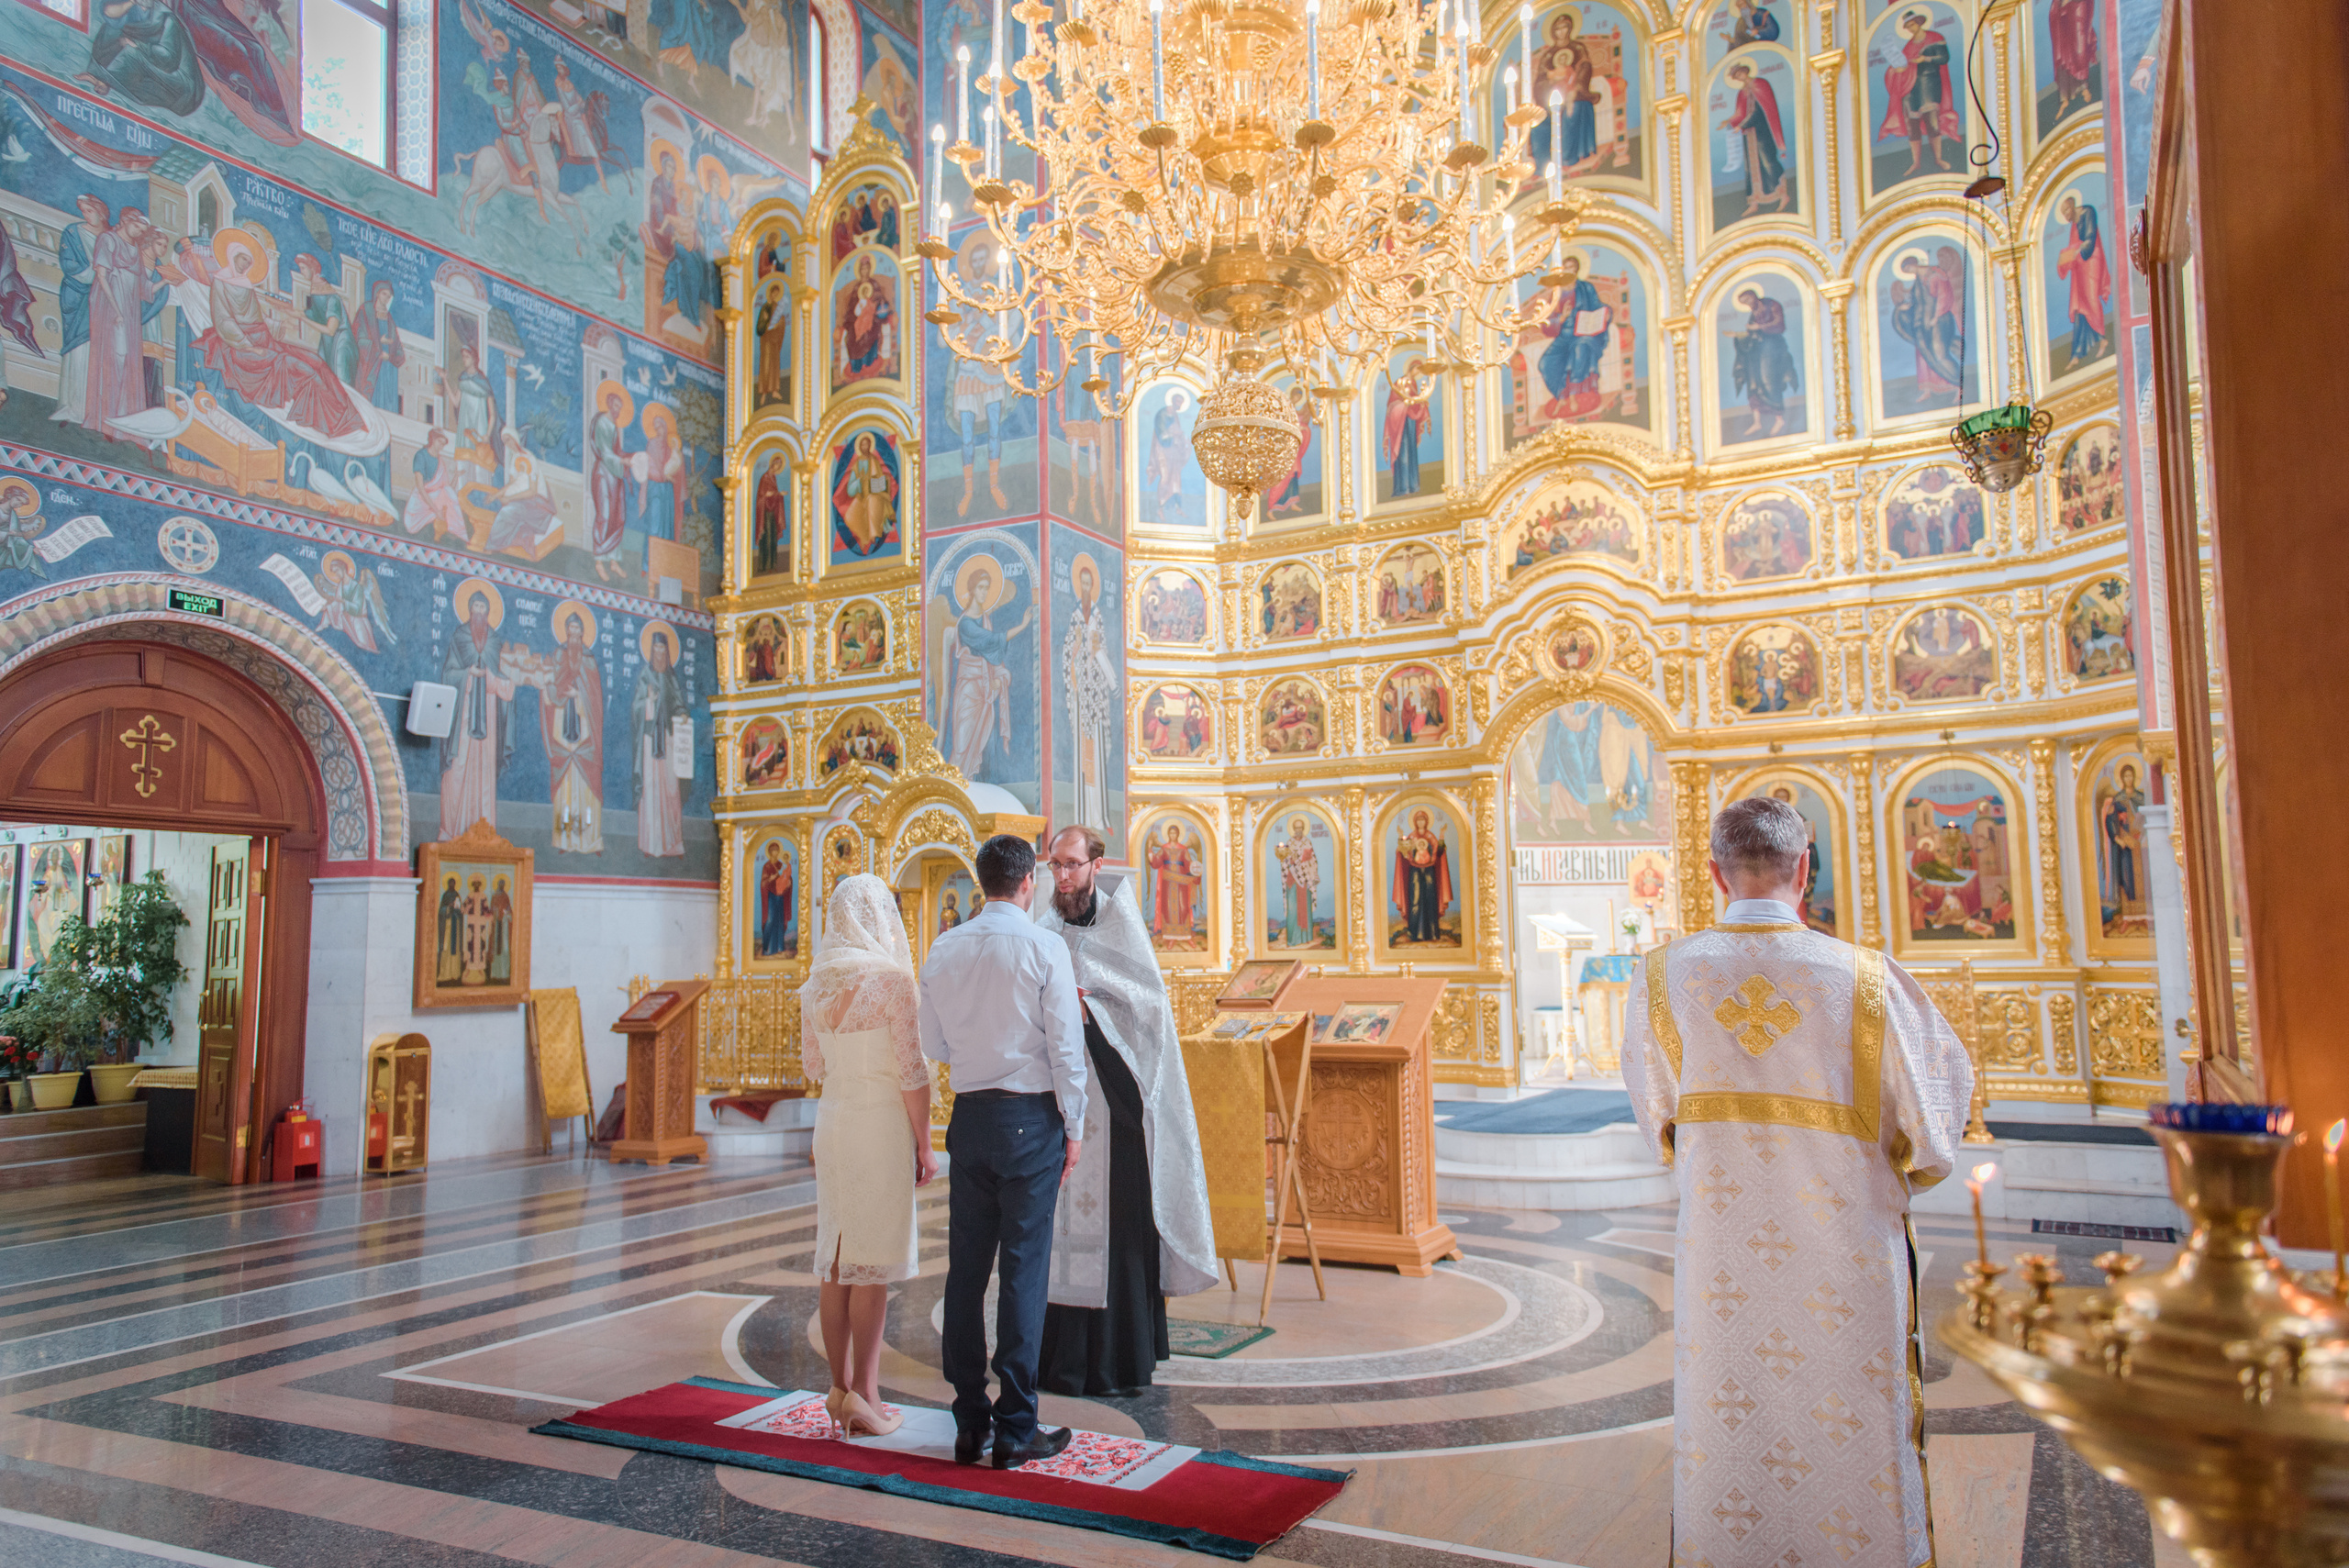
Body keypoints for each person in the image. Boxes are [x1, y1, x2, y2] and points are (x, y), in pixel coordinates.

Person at [1622, 797, 1973, 1568]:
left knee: (1729, 1422)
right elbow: (1936, 1134)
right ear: (1805, 868)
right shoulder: (1870, 981)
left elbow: (1659, 1124)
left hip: (1722, 1268)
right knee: (1855, 1428)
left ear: (1715, 872)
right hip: (1849, 1263)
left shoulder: (1664, 978)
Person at [920, 835, 1088, 1470]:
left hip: (972, 1117)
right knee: (1023, 1270)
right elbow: (1066, 1049)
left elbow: (932, 1040)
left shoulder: (946, 944)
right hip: (1030, 1118)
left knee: (966, 1269)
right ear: (1027, 884)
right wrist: (1074, 1125)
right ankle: (1016, 1427)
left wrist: (975, 1049)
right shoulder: (1044, 946)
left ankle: (970, 1422)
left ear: (983, 880)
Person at [1033, 828, 1219, 1397]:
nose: (1062, 878)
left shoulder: (1122, 927)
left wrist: (1088, 1006)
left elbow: (1149, 1014)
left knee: (1117, 1233)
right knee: (1056, 1238)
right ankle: (1058, 1361)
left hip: (1115, 1111)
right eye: (1054, 867)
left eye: (1071, 865)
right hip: (1057, 1111)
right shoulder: (1042, 931)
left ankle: (1118, 1360)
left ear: (1096, 865)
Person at [799, 874, 935, 1439]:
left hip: (831, 1125)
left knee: (836, 1259)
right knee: (872, 1265)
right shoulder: (891, 981)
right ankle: (868, 1395)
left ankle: (838, 1387)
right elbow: (912, 1071)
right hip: (878, 1126)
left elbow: (813, 1067)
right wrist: (926, 1142)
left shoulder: (815, 984)